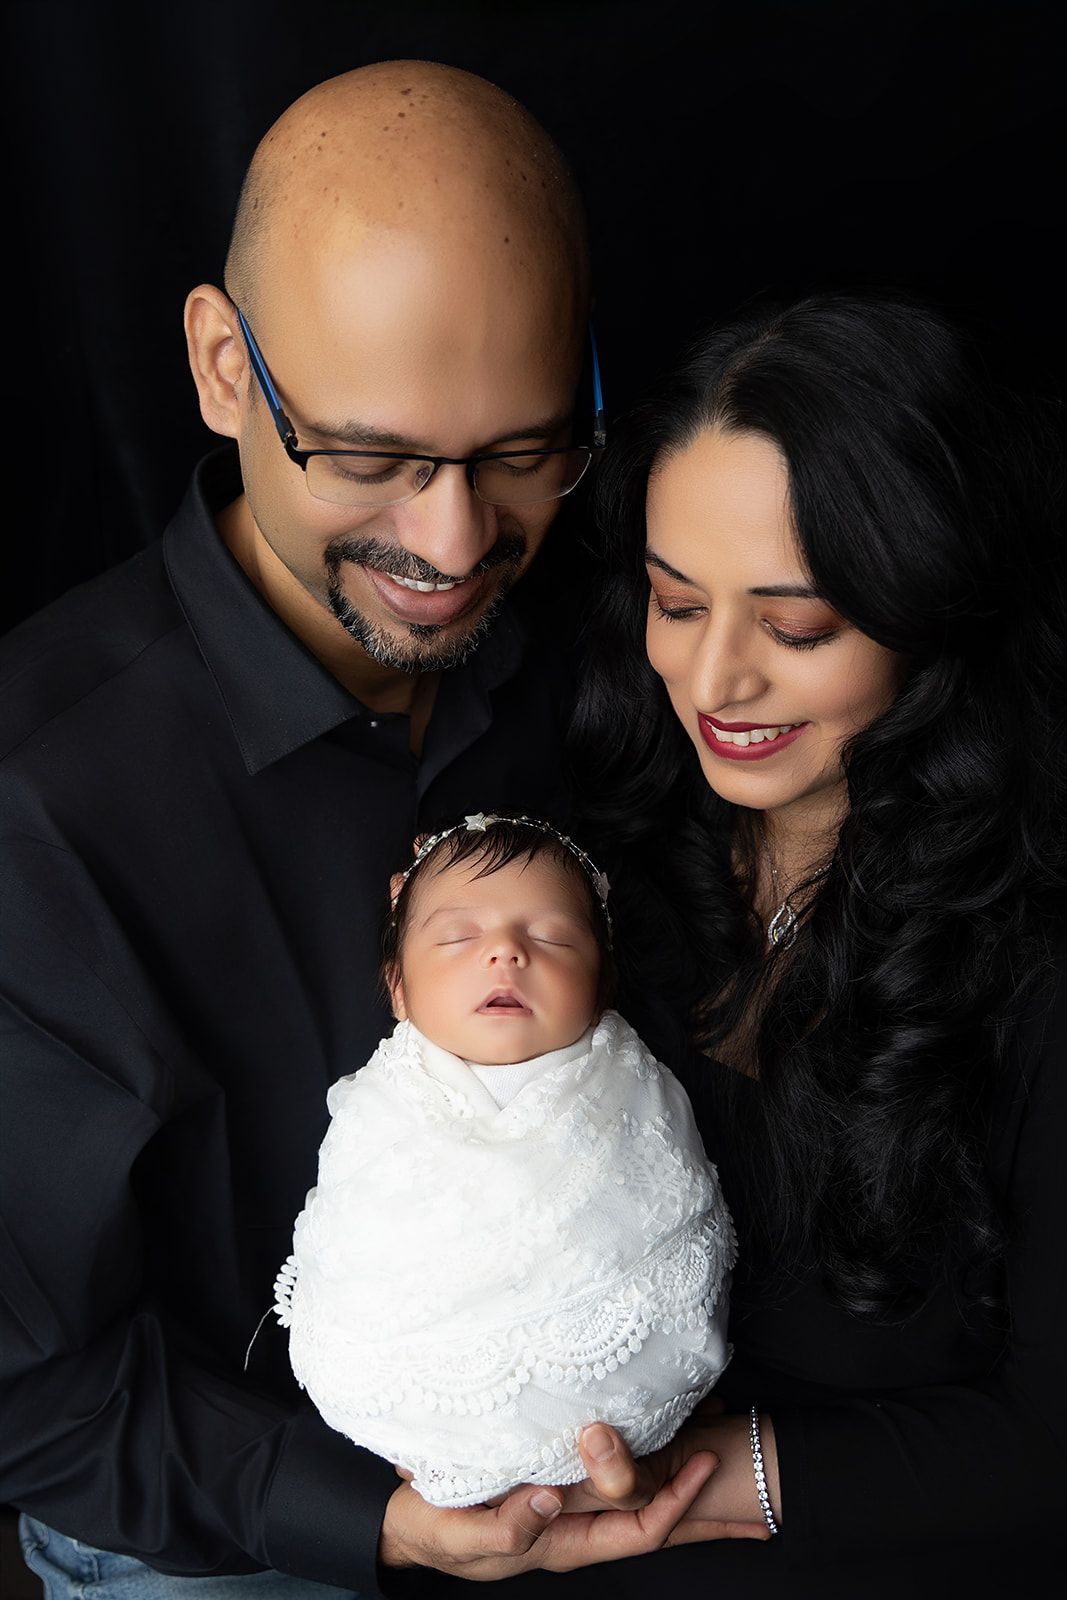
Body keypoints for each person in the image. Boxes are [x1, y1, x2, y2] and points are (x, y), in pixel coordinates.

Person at [0, 60, 719, 1600]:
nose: (456, 548)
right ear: (219, 365)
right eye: (372, 458)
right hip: (218, 1530)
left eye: (524, 450)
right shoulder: (36, 801)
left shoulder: (611, 627)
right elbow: (26, 1389)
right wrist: (370, 1524)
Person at [556, 290, 1067, 1595]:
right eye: (675, 603)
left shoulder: (1033, 962)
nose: (715, 681)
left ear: (927, 612)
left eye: (794, 629)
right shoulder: (599, 855)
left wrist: (718, 1478)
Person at [275, 813, 736, 1510]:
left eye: (550, 936)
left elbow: (661, 1212)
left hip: (621, 1428)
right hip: (412, 1414)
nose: (505, 954)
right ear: (397, 988)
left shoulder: (632, 1089)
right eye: (458, 936)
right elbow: (359, 1239)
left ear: (602, 985)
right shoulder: (380, 1105)